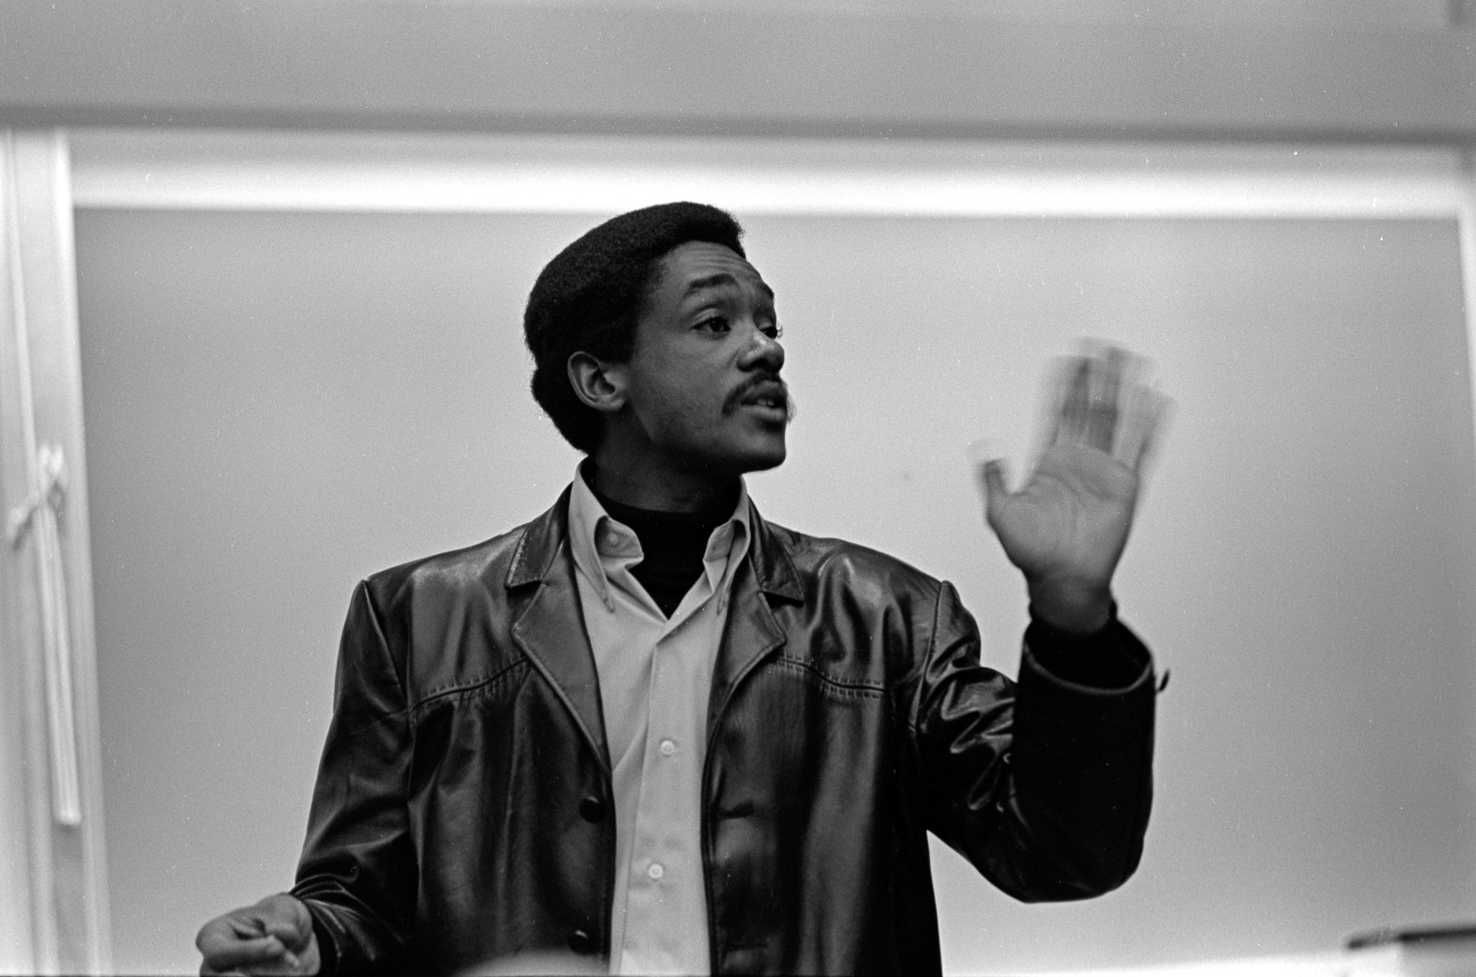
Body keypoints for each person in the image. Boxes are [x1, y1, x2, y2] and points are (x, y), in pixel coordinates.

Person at [196, 202, 1167, 976]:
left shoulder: (889, 618)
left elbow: (1061, 850)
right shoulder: (416, 618)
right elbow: (360, 902)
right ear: (601, 379)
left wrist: (1075, 617)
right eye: (716, 321)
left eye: (770, 323)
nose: (766, 348)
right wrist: (308, 940)